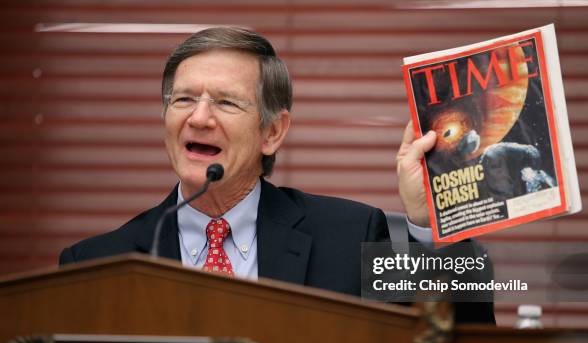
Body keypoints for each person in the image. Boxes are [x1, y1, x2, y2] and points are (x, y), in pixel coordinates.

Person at [59, 27, 494, 324]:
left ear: (272, 132)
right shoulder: (96, 265)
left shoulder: (349, 234)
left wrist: (433, 225)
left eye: (226, 103)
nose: (199, 117)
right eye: (184, 99)